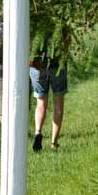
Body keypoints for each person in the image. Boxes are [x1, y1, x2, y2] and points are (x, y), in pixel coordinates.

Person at [29, 24, 71, 152]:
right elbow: (67, 42)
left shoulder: (35, 19)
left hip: (36, 67)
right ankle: (54, 143)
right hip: (57, 66)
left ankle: (38, 132)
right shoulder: (60, 21)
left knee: (41, 102)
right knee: (58, 104)